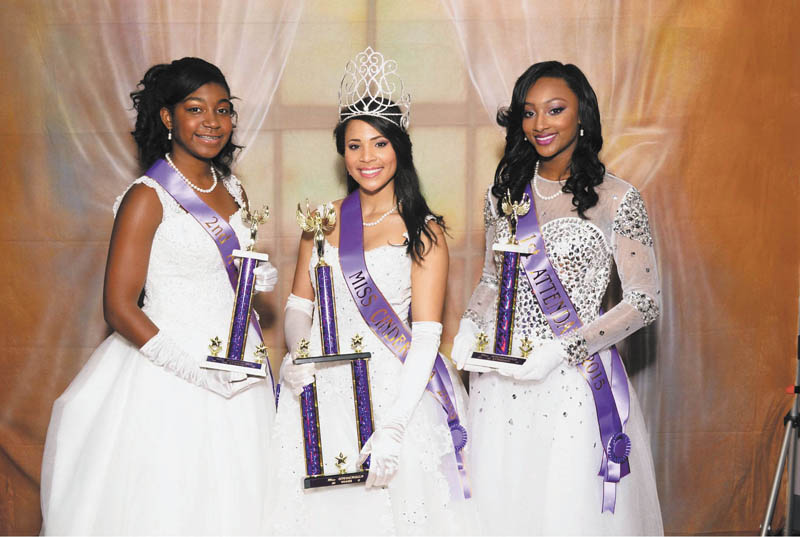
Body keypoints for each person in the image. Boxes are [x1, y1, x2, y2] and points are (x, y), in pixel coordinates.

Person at [40, 57, 278, 535]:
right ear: (168, 118)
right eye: (196, 108)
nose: (213, 121)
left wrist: (256, 277)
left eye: (223, 109)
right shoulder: (146, 196)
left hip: (238, 371)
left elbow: (226, 278)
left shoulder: (234, 189)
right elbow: (119, 306)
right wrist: (193, 371)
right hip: (169, 374)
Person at [451, 61, 664, 535]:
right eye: (529, 112)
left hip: (573, 379)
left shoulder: (617, 199)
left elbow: (645, 301)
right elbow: (491, 278)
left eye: (555, 110)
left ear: (581, 115)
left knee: (566, 511)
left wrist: (562, 350)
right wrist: (468, 325)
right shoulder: (504, 194)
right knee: (505, 506)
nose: (540, 124)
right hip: (502, 380)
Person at [265, 47, 470, 535]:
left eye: (379, 144)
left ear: (399, 147)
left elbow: (425, 336)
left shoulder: (424, 229)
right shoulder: (322, 220)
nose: (367, 158)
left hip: (394, 388)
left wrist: (396, 425)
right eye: (354, 146)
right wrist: (299, 354)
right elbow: (298, 306)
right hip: (322, 387)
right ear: (342, 152)